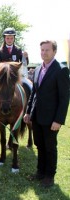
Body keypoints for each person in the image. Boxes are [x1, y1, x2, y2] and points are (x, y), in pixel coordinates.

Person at [24, 40, 69, 188]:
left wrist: (59, 120)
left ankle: (49, 176)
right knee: (39, 145)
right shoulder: (37, 69)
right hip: (36, 116)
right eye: (42, 50)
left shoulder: (61, 70)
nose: (44, 53)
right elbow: (34, 94)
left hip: (51, 119)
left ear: (54, 52)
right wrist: (28, 112)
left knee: (50, 147)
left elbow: (64, 98)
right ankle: (40, 172)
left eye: (47, 50)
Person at [0, 27, 30, 124]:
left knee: (29, 87)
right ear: (5, 38)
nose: (9, 40)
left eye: (11, 38)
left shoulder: (18, 50)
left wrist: (26, 57)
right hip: (4, 78)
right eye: (8, 38)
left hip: (15, 77)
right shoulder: (0, 51)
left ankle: (28, 112)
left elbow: (25, 63)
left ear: (14, 38)